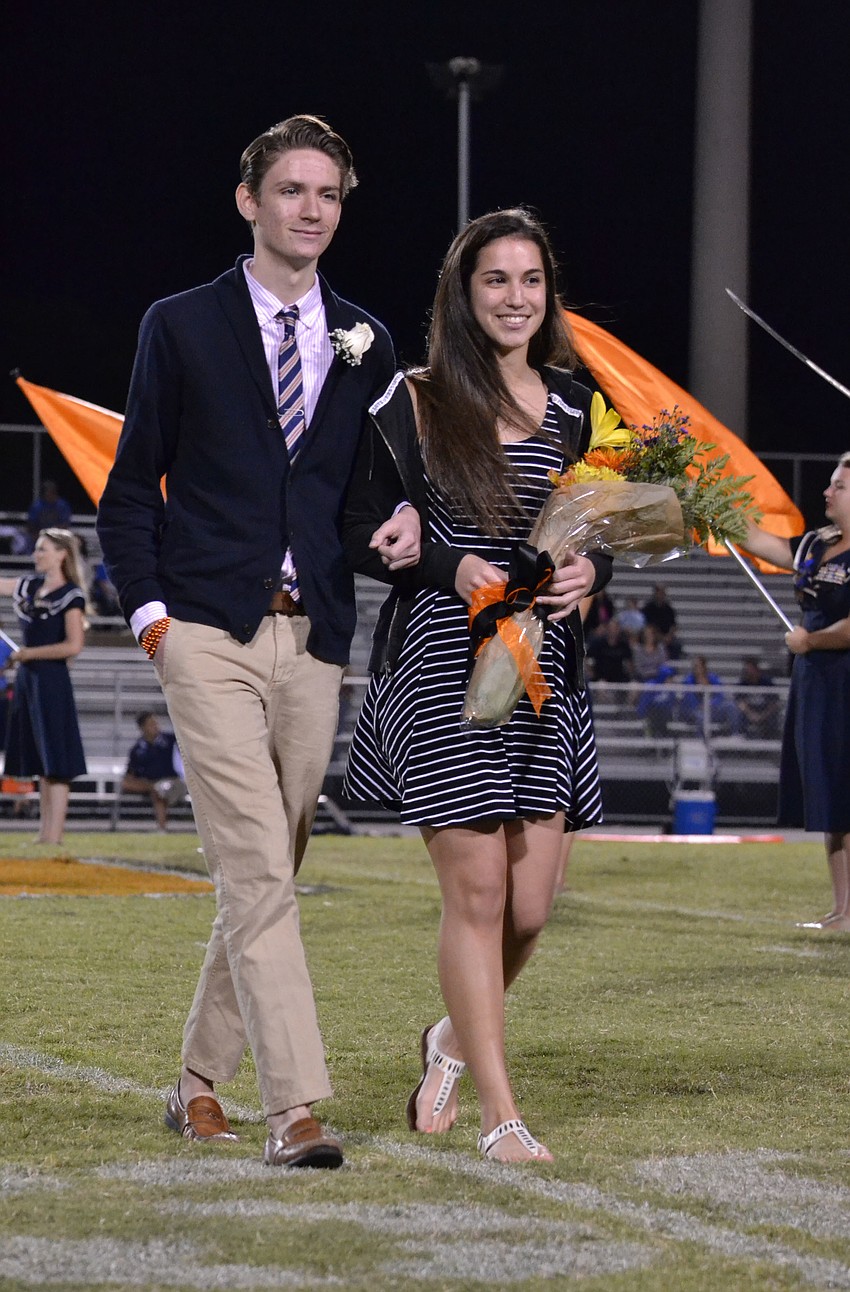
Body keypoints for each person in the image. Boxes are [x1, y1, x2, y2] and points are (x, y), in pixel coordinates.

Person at [97, 115, 417, 1168]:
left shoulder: (366, 337)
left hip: (315, 638)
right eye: (292, 190)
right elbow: (131, 478)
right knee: (258, 868)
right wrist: (149, 617)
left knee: (264, 869)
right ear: (250, 200)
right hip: (204, 630)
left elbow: (361, 500)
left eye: (327, 193)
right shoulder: (180, 323)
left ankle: (196, 1081)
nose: (310, 209)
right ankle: (296, 1109)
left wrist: (399, 529)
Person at [341, 209, 613, 1162]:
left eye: (530, 281)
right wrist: (441, 565)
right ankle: (502, 1116)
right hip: (447, 668)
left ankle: (450, 1039)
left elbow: (593, 529)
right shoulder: (413, 399)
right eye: (495, 280)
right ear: (464, 294)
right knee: (479, 896)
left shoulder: (579, 404)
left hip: (542, 670)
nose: (515, 298)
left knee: (533, 907)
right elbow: (363, 527)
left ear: (549, 294)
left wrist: (590, 575)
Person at [738, 454, 850, 930]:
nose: (827, 492)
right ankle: (842, 908)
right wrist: (710, 505)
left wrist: (813, 641)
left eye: (839, 486)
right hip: (816, 680)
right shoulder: (818, 543)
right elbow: (763, 543)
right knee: (830, 795)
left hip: (842, 674)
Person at [0, 529, 87, 843]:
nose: (37, 555)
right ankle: (44, 835)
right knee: (40, 758)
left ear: (61, 554)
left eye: (43, 549)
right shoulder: (30, 585)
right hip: (29, 678)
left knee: (56, 760)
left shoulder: (71, 594)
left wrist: (28, 654)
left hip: (51, 679)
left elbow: (73, 645)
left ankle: (54, 835)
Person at [122, 712, 187, 830]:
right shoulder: (137, 749)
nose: (156, 726)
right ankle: (154, 789)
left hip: (173, 781)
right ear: (142, 728)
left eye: (156, 723)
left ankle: (161, 828)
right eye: (151, 724)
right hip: (150, 783)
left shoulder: (171, 741)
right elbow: (130, 774)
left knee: (159, 791)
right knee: (132, 784)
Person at [677, 654, 740, 736]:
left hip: (711, 710)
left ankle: (735, 734)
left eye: (698, 666)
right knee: (700, 717)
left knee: (730, 706)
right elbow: (687, 698)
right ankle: (701, 741)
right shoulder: (688, 680)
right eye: (695, 666)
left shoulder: (713, 678)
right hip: (694, 711)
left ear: (704, 667)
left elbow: (720, 696)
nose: (696, 668)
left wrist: (709, 703)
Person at [21, 481, 73, 554]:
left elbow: (65, 524)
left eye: (52, 492)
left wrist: (52, 534)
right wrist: (41, 535)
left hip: (57, 536)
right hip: (38, 536)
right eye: (48, 491)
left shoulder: (62, 505)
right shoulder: (37, 506)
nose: (50, 494)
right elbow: (31, 524)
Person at [735, 656, 780, 739]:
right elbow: (740, 701)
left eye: (750, 669)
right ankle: (742, 737)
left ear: (756, 669)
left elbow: (774, 703)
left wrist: (763, 715)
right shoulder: (743, 683)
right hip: (749, 711)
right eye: (747, 670)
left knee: (773, 717)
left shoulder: (767, 682)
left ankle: (771, 739)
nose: (748, 672)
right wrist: (751, 714)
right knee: (738, 714)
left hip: (764, 711)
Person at [641, 583, 682, 658]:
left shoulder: (669, 609)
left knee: (677, 645)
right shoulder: (648, 608)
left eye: (662, 593)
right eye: (659, 592)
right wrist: (660, 637)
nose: (661, 595)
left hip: (667, 637)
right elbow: (648, 626)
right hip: (653, 637)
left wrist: (669, 636)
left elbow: (673, 625)